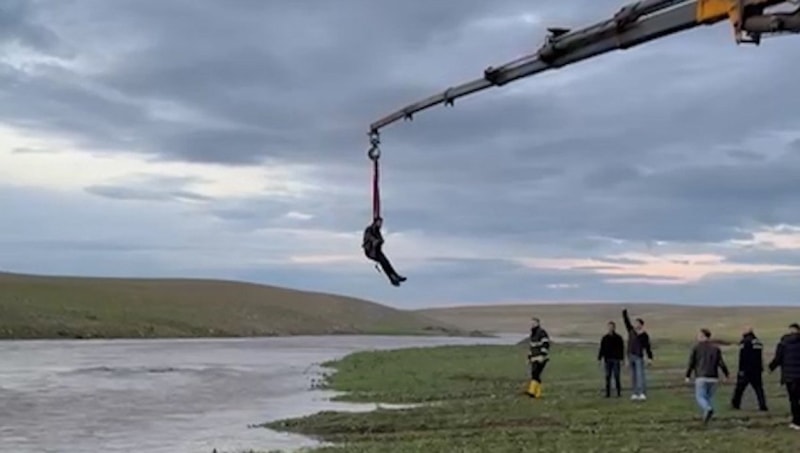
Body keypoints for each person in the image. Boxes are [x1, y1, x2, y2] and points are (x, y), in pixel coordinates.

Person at [685, 328, 730, 424]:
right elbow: (721, 363)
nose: (697, 337)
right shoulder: (716, 348)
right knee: (709, 397)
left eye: (699, 335)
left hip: (701, 376)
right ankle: (707, 415)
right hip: (713, 377)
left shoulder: (696, 348)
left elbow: (691, 363)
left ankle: (707, 409)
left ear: (702, 336)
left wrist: (687, 375)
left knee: (700, 397)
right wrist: (726, 374)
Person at [768, 322, 800, 430]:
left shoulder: (783, 343)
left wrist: (770, 368)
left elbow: (778, 359)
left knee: (794, 399)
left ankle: (797, 422)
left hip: (789, 377)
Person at [731, 325, 768, 411]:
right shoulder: (757, 342)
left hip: (746, 369)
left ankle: (735, 404)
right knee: (758, 388)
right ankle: (762, 405)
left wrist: (741, 369)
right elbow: (759, 357)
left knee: (739, 389)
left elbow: (743, 357)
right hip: (756, 369)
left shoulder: (744, 342)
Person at [362, 217, 406, 286]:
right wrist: (375, 241)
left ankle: (395, 277)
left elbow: (381, 240)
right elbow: (369, 237)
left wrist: (379, 241)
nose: (381, 224)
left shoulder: (377, 231)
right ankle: (393, 278)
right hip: (370, 251)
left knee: (386, 262)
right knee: (384, 262)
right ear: (376, 222)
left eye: (381, 223)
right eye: (379, 223)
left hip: (377, 251)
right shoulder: (369, 229)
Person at [622, 308, 653, 401]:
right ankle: (635, 393)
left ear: (641, 325)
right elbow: (626, 322)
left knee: (640, 376)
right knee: (633, 376)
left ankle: (642, 393)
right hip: (630, 355)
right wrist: (624, 313)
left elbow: (647, 347)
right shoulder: (631, 331)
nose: (636, 325)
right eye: (635, 323)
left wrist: (650, 357)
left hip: (638, 356)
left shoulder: (644, 335)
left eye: (638, 323)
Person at [597, 321, 625, 398]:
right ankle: (607, 393)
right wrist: (599, 358)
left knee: (616, 376)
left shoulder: (618, 338)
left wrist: (622, 359)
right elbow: (602, 349)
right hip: (607, 359)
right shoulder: (605, 338)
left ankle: (618, 393)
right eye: (609, 327)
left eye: (612, 327)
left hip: (616, 359)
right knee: (607, 376)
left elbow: (621, 349)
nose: (610, 328)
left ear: (614, 328)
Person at [526, 317, 550, 399]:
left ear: (538, 323)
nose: (532, 324)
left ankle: (531, 391)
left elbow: (546, 344)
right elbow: (531, 347)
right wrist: (529, 357)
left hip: (540, 357)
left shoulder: (542, 332)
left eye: (534, 323)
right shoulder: (532, 334)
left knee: (535, 374)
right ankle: (537, 394)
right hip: (534, 357)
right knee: (536, 374)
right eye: (531, 323)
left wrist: (542, 355)